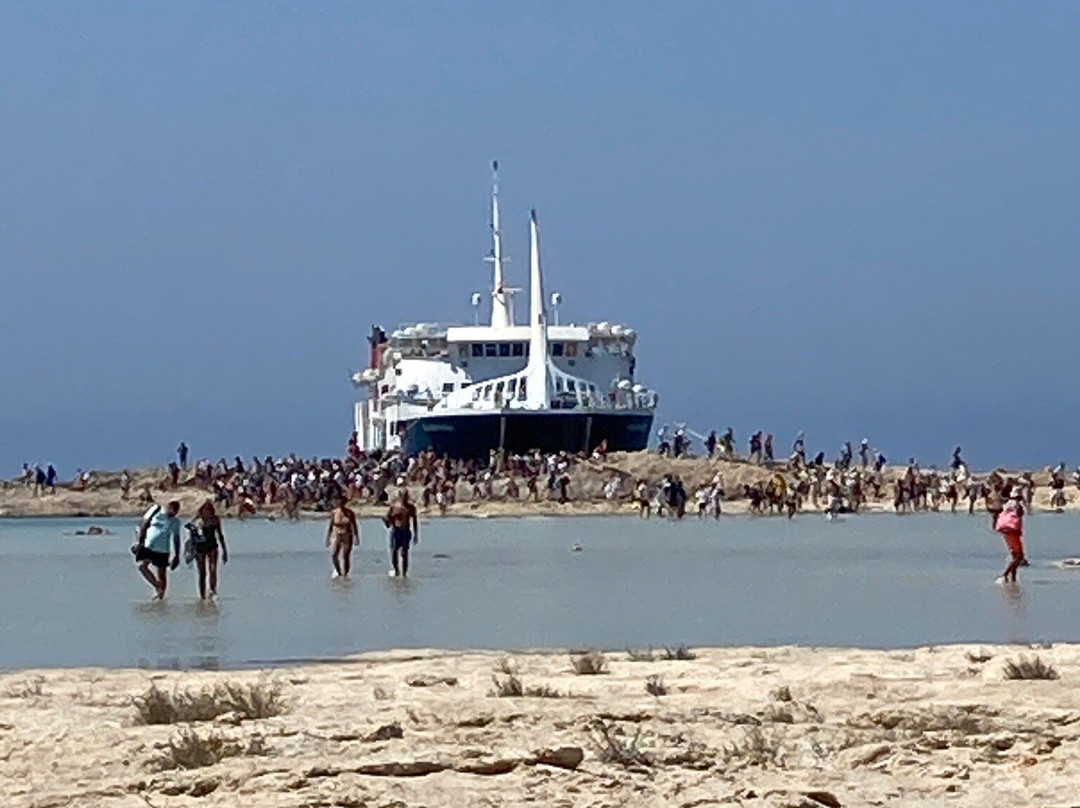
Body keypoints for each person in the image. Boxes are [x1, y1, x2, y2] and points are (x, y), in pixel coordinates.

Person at [132, 500, 182, 599]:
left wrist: (176, 556)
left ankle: (161, 597)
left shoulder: (175, 522)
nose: (173, 513)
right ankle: (156, 585)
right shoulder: (156, 512)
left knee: (162, 573)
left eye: (176, 511)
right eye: (172, 510)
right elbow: (144, 524)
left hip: (163, 549)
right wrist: (139, 543)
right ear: (168, 508)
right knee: (142, 566)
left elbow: (176, 538)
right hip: (148, 545)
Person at [191, 501, 228, 600]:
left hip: (212, 546)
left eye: (210, 511)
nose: (208, 514)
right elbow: (192, 537)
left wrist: (225, 551)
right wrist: (192, 551)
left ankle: (212, 590)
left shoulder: (215, 520)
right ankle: (202, 596)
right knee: (202, 573)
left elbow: (220, 535)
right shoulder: (197, 521)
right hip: (200, 548)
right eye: (206, 511)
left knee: (213, 569)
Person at [383, 488, 419, 577]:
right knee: (394, 551)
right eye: (403, 495)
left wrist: (416, 534)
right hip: (396, 531)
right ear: (400, 496)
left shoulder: (411, 508)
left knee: (404, 552)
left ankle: (404, 574)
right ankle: (396, 570)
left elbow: (414, 521)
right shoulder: (394, 507)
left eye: (406, 496)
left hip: (406, 531)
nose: (404, 498)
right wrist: (390, 520)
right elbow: (387, 519)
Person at [996, 488, 1027, 583]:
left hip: (1007, 531)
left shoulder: (1007, 504)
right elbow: (1019, 514)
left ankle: (1013, 578)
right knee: (1019, 556)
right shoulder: (1017, 505)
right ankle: (1005, 575)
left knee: (1015, 556)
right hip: (1013, 531)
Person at [325, 495, 359, 578]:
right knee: (334, 554)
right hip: (336, 534)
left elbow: (354, 525)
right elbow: (330, 525)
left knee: (345, 555)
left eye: (342, 502)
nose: (340, 504)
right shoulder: (334, 512)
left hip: (347, 534)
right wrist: (328, 538)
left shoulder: (350, 513)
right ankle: (338, 571)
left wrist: (356, 537)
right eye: (338, 502)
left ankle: (345, 574)